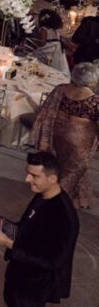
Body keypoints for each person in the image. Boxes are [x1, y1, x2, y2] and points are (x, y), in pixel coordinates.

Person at [0, 152, 79, 307]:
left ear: (52, 179)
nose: (27, 179)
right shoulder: (42, 195)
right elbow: (28, 226)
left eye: (34, 176)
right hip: (18, 275)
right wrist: (6, 228)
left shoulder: (64, 216)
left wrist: (8, 243)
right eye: (28, 173)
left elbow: (52, 262)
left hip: (33, 287)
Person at [29, 62, 99, 208]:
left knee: (58, 167)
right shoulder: (94, 101)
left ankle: (66, 197)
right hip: (79, 145)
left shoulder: (61, 89)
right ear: (93, 80)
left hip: (57, 137)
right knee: (71, 174)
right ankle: (56, 203)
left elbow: (46, 109)